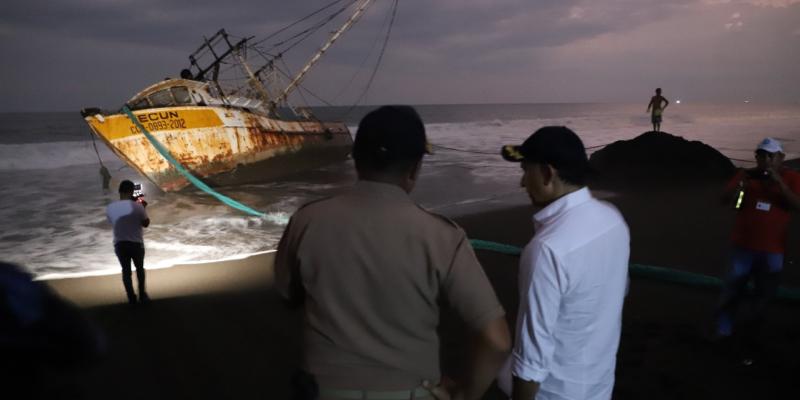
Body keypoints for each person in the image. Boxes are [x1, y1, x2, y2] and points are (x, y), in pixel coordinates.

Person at [275, 105, 510, 400]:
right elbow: (497, 340)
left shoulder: (307, 221)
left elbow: (287, 294)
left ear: (357, 159)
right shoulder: (442, 236)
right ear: (415, 169)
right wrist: (465, 394)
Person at [497, 126, 630, 400]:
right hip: (599, 386)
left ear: (547, 173)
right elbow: (619, 289)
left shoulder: (547, 249)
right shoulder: (613, 219)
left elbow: (530, 363)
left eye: (525, 171)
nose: (522, 183)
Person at [716, 138, 800, 356]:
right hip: (742, 246)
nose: (766, 160)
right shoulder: (746, 175)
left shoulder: (791, 177)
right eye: (762, 155)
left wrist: (778, 182)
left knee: (764, 295)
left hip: (772, 250)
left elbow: (797, 205)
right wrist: (741, 186)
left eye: (771, 155)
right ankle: (724, 331)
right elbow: (725, 199)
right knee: (732, 289)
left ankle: (752, 334)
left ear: (780, 157)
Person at [107, 180, 150, 305]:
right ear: (132, 191)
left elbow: (112, 221)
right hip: (136, 243)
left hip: (119, 244)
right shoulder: (137, 206)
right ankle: (142, 295)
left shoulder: (111, 207)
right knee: (140, 269)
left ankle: (131, 298)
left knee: (126, 271)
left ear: (120, 191)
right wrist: (143, 207)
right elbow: (145, 223)